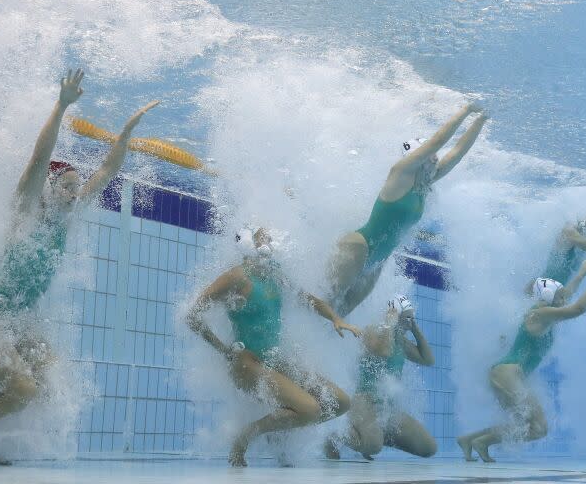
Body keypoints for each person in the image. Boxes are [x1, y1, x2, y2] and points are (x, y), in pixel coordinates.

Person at [0, 69, 159, 465]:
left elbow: (107, 172)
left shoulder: (66, 221)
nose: (76, 195)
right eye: (69, 187)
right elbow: (40, 158)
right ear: (50, 188)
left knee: (50, 381)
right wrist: (60, 107)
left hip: (18, 322)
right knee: (23, 388)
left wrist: (125, 133)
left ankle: (2, 443)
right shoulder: (26, 211)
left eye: (78, 189)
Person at [185, 227, 361, 467]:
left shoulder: (274, 274)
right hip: (247, 364)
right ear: (248, 243)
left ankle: (280, 429)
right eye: (262, 238)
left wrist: (335, 318)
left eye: (271, 239)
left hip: (273, 361)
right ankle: (246, 435)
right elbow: (192, 315)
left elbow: (308, 299)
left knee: (340, 402)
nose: (268, 244)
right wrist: (224, 350)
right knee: (310, 410)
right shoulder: (236, 277)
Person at [328, 104, 488, 317]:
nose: (436, 159)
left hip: (377, 261)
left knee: (340, 315)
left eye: (435, 157)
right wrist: (467, 109)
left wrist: (481, 119)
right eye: (430, 156)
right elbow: (438, 141)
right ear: (416, 159)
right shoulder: (400, 173)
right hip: (359, 247)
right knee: (327, 303)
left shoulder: (425, 183)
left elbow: (457, 154)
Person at [456, 258, 586, 462]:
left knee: (524, 424)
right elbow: (578, 308)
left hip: (507, 374)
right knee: (539, 428)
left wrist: (581, 274)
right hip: (507, 374)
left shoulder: (544, 311)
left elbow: (567, 295)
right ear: (548, 296)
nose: (565, 299)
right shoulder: (541, 313)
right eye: (560, 297)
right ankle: (482, 442)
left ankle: (469, 439)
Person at [324, 295, 437, 460]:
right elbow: (382, 351)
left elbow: (428, 360)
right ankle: (335, 438)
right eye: (407, 317)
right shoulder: (372, 331)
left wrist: (415, 329)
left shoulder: (401, 341)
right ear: (394, 315)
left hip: (387, 408)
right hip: (364, 402)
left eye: (413, 317)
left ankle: (372, 434)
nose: (410, 320)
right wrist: (389, 323)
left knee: (428, 447)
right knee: (374, 446)